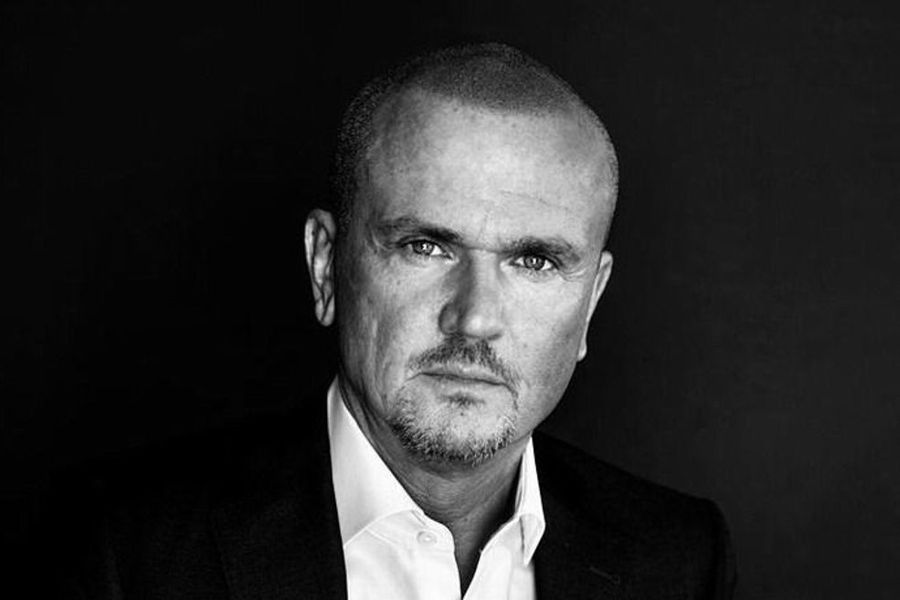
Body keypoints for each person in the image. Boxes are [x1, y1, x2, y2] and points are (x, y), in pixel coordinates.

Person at [44, 43, 736, 599]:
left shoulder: (678, 559)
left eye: (535, 261)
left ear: (591, 302)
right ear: (326, 266)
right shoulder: (124, 554)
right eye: (425, 246)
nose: (475, 318)